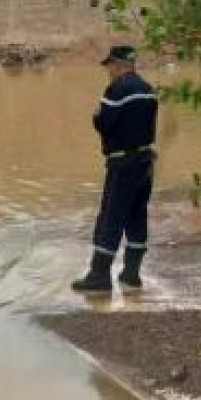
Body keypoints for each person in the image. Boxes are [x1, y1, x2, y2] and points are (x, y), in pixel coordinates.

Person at [72, 45, 158, 294]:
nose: (108, 71)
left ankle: (99, 276)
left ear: (119, 65)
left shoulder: (117, 89)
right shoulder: (148, 90)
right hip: (145, 161)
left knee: (111, 217)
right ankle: (131, 275)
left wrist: (96, 116)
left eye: (109, 66)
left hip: (122, 164)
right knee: (136, 215)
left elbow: (104, 122)